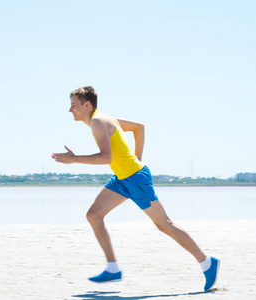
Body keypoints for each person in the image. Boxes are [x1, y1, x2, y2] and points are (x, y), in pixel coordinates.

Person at [51, 86, 219, 291]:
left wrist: (74, 159)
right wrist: (137, 158)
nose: (70, 111)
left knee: (164, 225)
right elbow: (139, 127)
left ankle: (207, 262)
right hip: (122, 178)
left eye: (73, 106)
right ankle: (113, 268)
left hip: (135, 179)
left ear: (87, 105)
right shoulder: (104, 119)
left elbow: (106, 157)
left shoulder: (97, 121)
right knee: (94, 215)